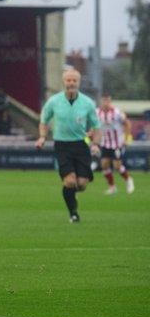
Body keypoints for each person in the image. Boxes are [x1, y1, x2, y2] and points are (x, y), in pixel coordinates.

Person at [36, 69, 101, 223]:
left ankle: (71, 195)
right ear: (63, 82)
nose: (71, 83)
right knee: (70, 182)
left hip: (80, 145)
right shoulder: (54, 101)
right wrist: (42, 137)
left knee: (82, 184)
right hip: (62, 145)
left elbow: (96, 127)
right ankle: (73, 213)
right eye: (68, 80)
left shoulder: (88, 103)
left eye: (74, 80)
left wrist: (96, 144)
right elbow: (44, 121)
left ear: (79, 82)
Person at [96, 94, 134, 194]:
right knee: (104, 165)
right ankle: (112, 187)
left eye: (108, 101)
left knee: (117, 166)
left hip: (117, 143)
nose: (106, 103)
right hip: (105, 143)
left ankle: (128, 180)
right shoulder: (97, 112)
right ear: (101, 101)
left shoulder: (117, 112)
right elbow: (95, 126)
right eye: (104, 101)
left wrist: (127, 137)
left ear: (110, 101)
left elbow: (127, 123)